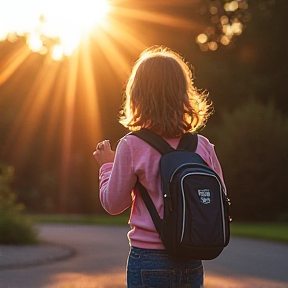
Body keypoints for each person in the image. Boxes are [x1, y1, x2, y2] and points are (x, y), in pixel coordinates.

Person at [93, 45, 226, 288]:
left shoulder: (132, 145)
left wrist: (107, 167)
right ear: (184, 93)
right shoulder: (203, 145)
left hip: (148, 258)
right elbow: (221, 198)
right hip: (192, 259)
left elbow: (113, 204)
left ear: (138, 94)